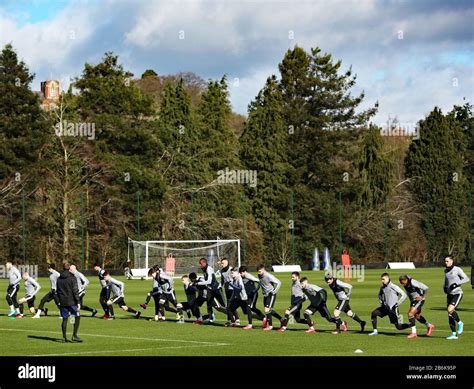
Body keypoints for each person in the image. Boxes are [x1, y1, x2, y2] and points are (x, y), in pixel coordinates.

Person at [398, 275, 434, 339]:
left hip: (419, 300)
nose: (402, 284)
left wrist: (422, 296)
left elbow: (426, 288)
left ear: (405, 280)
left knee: (410, 314)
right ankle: (429, 325)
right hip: (413, 301)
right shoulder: (405, 283)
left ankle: (414, 333)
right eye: (401, 282)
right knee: (417, 316)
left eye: (402, 282)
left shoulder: (413, 282)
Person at [443, 256, 469, 340]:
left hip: (457, 293)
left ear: (451, 261)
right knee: (449, 314)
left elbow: (466, 278)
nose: (445, 263)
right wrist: (444, 287)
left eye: (447, 261)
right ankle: (454, 334)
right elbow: (446, 280)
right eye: (445, 261)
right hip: (449, 294)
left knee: (450, 309)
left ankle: (460, 323)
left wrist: (457, 283)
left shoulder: (457, 269)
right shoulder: (445, 270)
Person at [56, 261, 82, 343]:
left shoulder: (59, 279)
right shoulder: (72, 277)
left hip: (63, 302)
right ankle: (74, 335)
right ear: (69, 268)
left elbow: (58, 291)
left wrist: (59, 301)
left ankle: (64, 337)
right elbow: (75, 290)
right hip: (72, 302)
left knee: (64, 319)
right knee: (76, 316)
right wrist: (78, 301)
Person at [197, 258, 227, 323]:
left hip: (216, 289)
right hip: (210, 289)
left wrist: (199, 283)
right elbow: (206, 279)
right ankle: (210, 319)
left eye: (200, 263)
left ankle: (233, 316)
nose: (200, 265)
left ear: (204, 263)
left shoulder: (209, 269)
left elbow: (209, 281)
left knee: (224, 304)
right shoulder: (203, 269)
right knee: (209, 304)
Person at [257, 264, 282, 331]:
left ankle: (270, 326)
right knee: (269, 310)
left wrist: (274, 291)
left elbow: (279, 282)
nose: (258, 273)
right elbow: (261, 283)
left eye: (259, 271)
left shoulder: (268, 275)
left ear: (263, 269)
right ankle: (282, 319)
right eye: (258, 271)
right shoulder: (259, 275)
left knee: (267, 310)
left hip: (271, 294)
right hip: (265, 295)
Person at [220, 258, 239, 324]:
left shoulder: (231, 269)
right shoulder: (221, 271)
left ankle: (234, 319)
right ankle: (232, 319)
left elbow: (236, 278)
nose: (222, 264)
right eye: (221, 263)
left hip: (232, 290)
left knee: (229, 305)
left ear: (227, 263)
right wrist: (220, 285)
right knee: (229, 305)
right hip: (227, 289)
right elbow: (222, 280)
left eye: (223, 263)